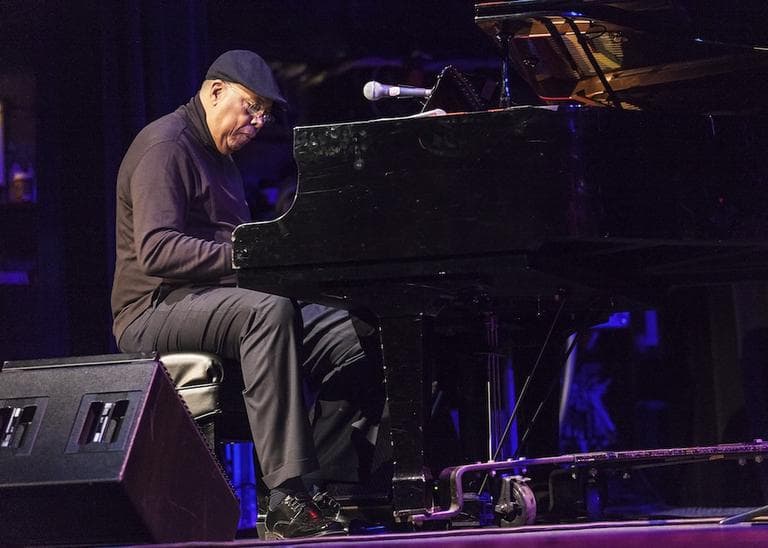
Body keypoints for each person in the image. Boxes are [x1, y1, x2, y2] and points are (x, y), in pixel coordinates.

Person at [111, 50, 373, 540]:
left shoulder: (223, 159)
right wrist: (248, 254)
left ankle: (338, 485)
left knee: (351, 329)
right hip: (153, 309)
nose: (256, 123)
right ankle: (286, 498)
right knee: (267, 312)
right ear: (215, 92)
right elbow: (157, 250)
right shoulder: (165, 146)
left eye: (264, 117)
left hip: (219, 302)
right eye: (250, 108)